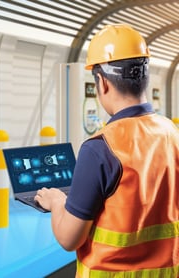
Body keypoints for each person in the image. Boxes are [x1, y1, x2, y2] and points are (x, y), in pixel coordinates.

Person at [34, 24, 179, 277]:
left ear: (102, 82)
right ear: (145, 78)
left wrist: (58, 202)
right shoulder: (172, 132)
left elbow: (69, 239)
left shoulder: (100, 148)